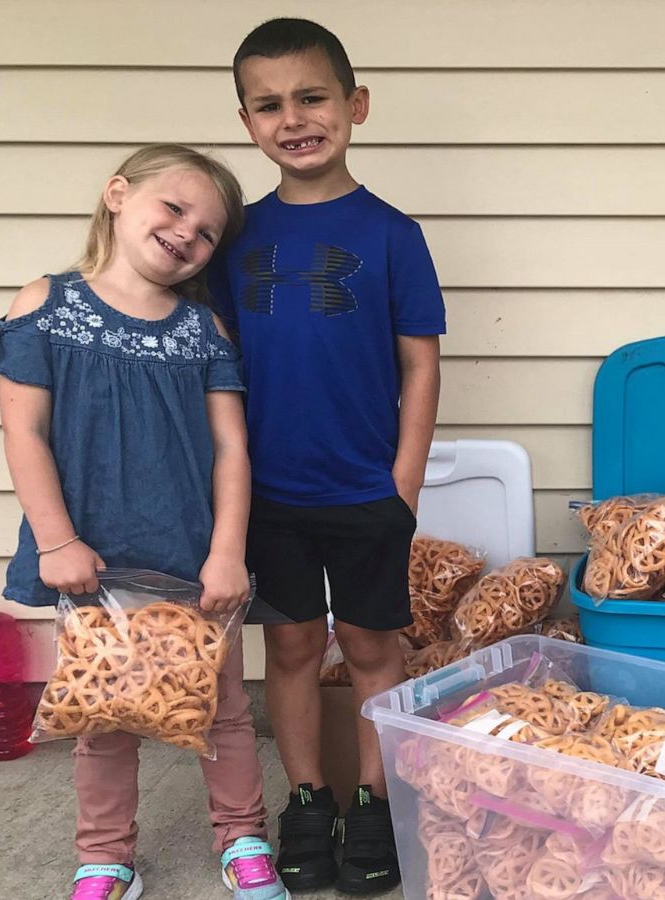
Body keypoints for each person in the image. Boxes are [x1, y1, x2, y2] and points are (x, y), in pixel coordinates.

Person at [0, 144, 287, 900]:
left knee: (222, 712)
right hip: (90, 558)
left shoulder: (203, 333)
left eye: (209, 230)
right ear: (118, 196)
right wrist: (56, 540)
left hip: (190, 559)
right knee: (104, 713)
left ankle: (243, 838)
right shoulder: (44, 308)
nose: (188, 232)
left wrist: (227, 553)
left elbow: (230, 449)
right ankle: (103, 854)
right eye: (174, 208)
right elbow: (23, 432)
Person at [209, 17, 445, 894]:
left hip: (364, 487)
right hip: (267, 492)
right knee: (296, 646)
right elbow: (217, 367)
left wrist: (403, 481)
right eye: (269, 105)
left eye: (311, 96)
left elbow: (419, 363)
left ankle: (373, 799)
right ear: (247, 123)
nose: (293, 118)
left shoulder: (393, 234)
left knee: (374, 646)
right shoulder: (235, 237)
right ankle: (308, 797)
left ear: (356, 104)